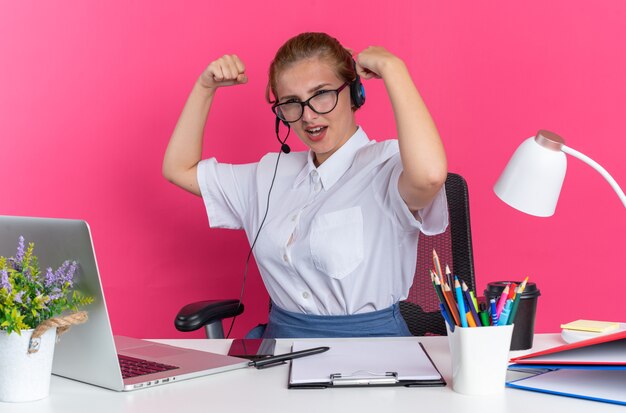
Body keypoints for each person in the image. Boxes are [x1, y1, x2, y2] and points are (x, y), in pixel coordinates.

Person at [163, 32, 448, 338]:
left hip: (372, 361)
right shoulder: (269, 175)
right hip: (281, 356)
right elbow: (178, 169)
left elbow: (430, 175)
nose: (308, 115)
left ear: (354, 94)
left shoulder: (387, 166)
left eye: (322, 93)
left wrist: (394, 69)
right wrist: (205, 88)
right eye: (291, 103)